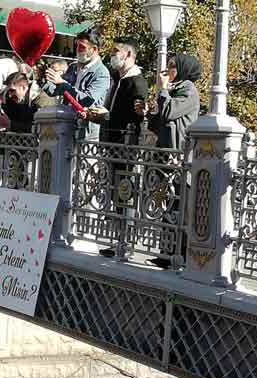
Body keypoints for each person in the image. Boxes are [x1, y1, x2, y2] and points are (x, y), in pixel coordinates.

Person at [83, 37, 148, 258]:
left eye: (116, 51)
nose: (112, 55)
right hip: (113, 145)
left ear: (128, 55)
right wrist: (99, 115)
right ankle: (119, 241)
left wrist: (107, 115)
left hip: (126, 147)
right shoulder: (118, 79)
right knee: (116, 195)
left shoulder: (137, 82)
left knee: (125, 193)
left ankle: (126, 244)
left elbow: (136, 116)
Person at [137, 53, 201, 269]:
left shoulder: (188, 90)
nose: (168, 70)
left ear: (183, 69)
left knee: (179, 204)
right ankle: (165, 252)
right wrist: (147, 113)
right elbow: (160, 121)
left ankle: (179, 253)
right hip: (165, 154)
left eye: (172, 66)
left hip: (179, 156)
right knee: (167, 201)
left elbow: (170, 110)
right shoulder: (174, 89)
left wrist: (162, 89)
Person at [44, 27, 110, 139]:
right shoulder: (73, 67)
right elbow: (56, 90)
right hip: (65, 127)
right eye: (77, 45)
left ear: (94, 49)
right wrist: (46, 80)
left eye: (82, 47)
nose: (78, 50)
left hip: (86, 133)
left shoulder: (101, 73)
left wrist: (62, 82)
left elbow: (87, 100)